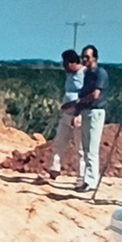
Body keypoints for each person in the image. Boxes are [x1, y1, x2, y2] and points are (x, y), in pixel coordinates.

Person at [66, 44, 109, 193]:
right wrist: (77, 111)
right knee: (85, 147)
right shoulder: (87, 74)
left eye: (87, 57)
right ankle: (87, 179)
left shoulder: (100, 73)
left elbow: (95, 95)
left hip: (95, 112)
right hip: (86, 111)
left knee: (92, 148)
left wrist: (78, 102)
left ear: (95, 58)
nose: (84, 59)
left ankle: (91, 181)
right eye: (83, 57)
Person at [47, 50, 85, 182]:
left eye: (66, 64)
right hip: (67, 115)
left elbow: (86, 96)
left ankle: (82, 176)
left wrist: (77, 112)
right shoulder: (70, 75)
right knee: (60, 142)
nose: (64, 67)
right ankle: (54, 168)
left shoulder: (85, 74)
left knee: (80, 147)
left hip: (78, 115)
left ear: (73, 63)